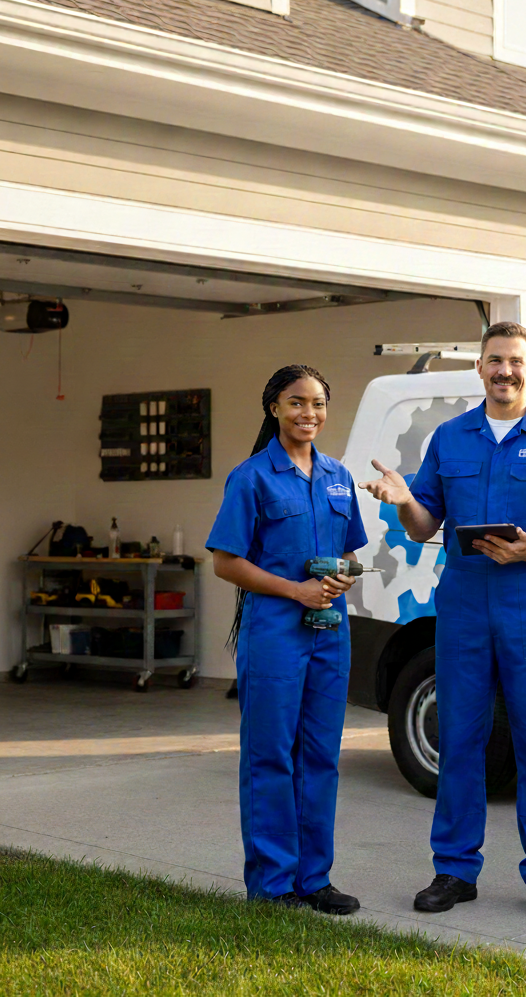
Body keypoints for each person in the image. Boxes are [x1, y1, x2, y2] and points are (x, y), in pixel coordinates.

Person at [360, 322, 526, 920]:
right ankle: (454, 871)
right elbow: (423, 526)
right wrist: (405, 501)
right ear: (480, 369)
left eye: (515, 362)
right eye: (494, 361)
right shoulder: (450, 438)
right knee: (459, 737)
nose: (504, 371)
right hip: (465, 605)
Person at [207, 364, 367, 912]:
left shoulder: (339, 476)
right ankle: (273, 885)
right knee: (271, 755)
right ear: (273, 407)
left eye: (318, 404)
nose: (309, 414)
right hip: (275, 630)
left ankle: (314, 879)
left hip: (329, 631)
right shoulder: (251, 477)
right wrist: (294, 592)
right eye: (296, 403)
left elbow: (349, 552)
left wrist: (344, 574)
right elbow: (227, 563)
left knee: (321, 755)